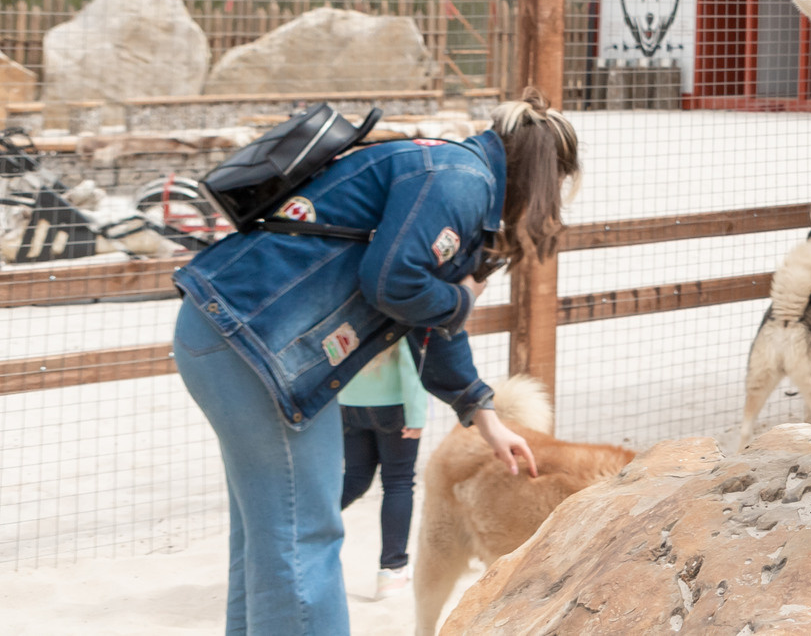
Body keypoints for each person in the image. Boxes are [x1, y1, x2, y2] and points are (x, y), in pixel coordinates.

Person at [174, 98, 580, 636]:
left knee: (270, 533)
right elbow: (393, 283)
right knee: (303, 534)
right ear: (545, 176)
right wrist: (462, 298)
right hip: (252, 346)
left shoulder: (453, 171)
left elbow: (427, 321)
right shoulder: (460, 180)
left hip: (229, 333)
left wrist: (483, 414)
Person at [338, 337, 427, 601]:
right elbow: (413, 365)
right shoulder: (397, 306)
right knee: (398, 483)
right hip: (394, 405)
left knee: (355, 477)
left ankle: (303, 524)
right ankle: (392, 570)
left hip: (348, 404)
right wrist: (417, 414)